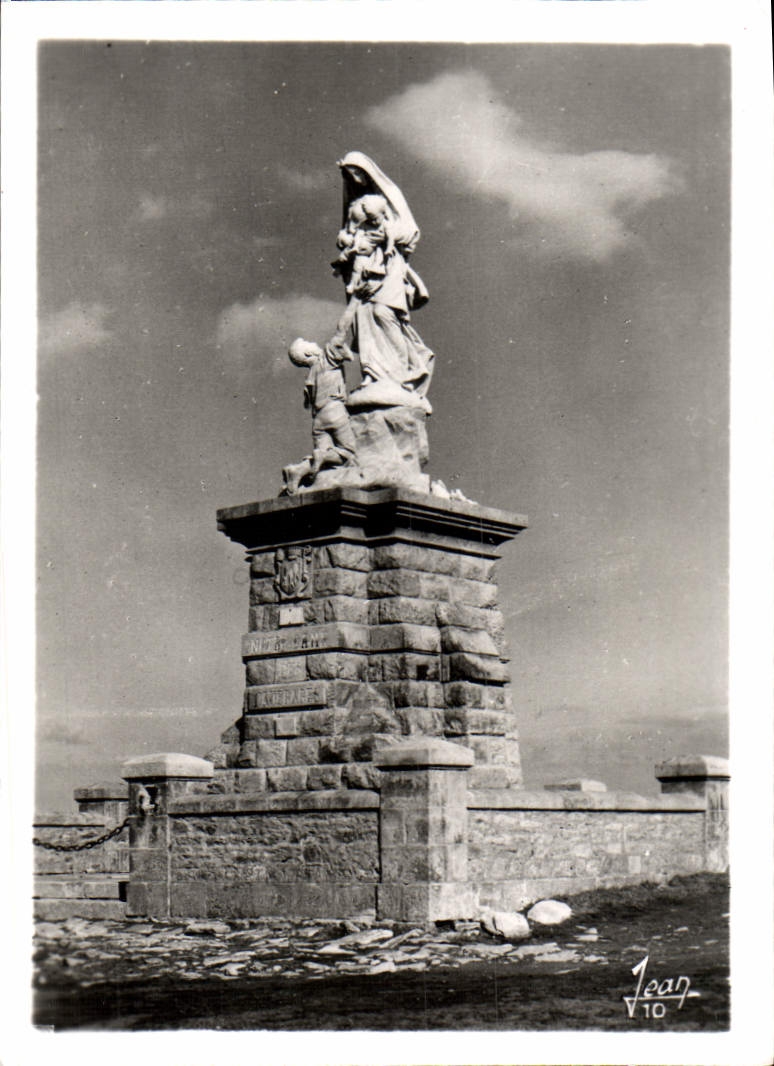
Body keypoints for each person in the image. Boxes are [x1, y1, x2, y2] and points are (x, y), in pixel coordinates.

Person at [333, 152, 435, 406]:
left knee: (384, 313)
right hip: (363, 266)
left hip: (389, 266)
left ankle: (401, 372)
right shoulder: (355, 205)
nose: (354, 179)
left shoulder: (389, 196)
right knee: (364, 316)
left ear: (367, 172)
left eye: (357, 173)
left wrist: (384, 237)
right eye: (349, 175)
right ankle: (371, 373)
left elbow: (410, 231)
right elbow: (347, 233)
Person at [281, 337, 357, 495]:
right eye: (311, 343)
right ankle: (321, 455)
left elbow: (307, 403)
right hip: (335, 411)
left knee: (325, 465)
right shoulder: (326, 359)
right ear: (309, 352)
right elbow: (348, 354)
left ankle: (297, 470)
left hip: (318, 420)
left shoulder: (310, 377)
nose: (315, 343)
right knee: (350, 452)